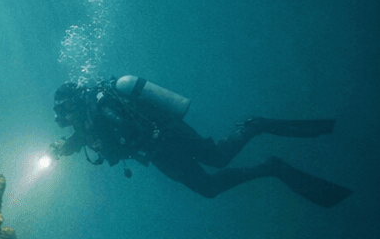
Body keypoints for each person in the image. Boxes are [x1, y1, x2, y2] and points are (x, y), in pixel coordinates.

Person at [49, 77, 351, 207]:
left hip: (169, 136)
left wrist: (101, 144)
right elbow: (95, 135)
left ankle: (254, 125)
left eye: (65, 110)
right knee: (209, 189)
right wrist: (66, 146)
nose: (64, 118)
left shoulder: (103, 107)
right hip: (159, 154)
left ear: (76, 102)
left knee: (219, 158)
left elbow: (126, 131)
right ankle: (270, 167)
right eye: (61, 114)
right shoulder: (89, 119)